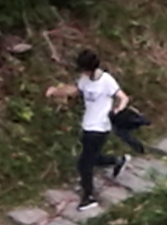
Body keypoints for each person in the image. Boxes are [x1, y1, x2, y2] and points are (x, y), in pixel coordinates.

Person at [45, 49, 129, 213]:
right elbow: (75, 91)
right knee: (94, 157)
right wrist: (55, 91)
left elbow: (123, 97)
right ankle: (118, 160)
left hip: (100, 126)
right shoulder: (84, 79)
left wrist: (118, 109)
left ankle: (88, 197)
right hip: (88, 124)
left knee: (84, 163)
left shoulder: (106, 80)